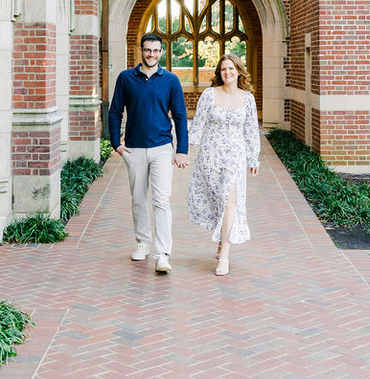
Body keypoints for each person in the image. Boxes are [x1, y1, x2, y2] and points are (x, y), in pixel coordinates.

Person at [109, 33, 189, 274]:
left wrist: (182, 150)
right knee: (138, 199)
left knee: (162, 200)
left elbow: (180, 116)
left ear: (161, 52)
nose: (151, 54)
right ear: (141, 51)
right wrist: (115, 143)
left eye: (155, 50)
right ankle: (142, 243)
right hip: (134, 148)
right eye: (147, 50)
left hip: (162, 148)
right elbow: (115, 113)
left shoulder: (171, 80)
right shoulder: (125, 78)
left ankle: (163, 253)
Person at [187, 52, 260, 276]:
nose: (227, 72)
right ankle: (221, 242)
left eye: (231, 68)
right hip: (210, 156)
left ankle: (225, 253)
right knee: (218, 201)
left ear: (238, 70)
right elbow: (198, 124)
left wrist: (253, 156)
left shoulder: (247, 98)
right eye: (223, 69)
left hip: (235, 158)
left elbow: (250, 130)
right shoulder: (210, 95)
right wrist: (185, 149)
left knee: (230, 202)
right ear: (219, 72)